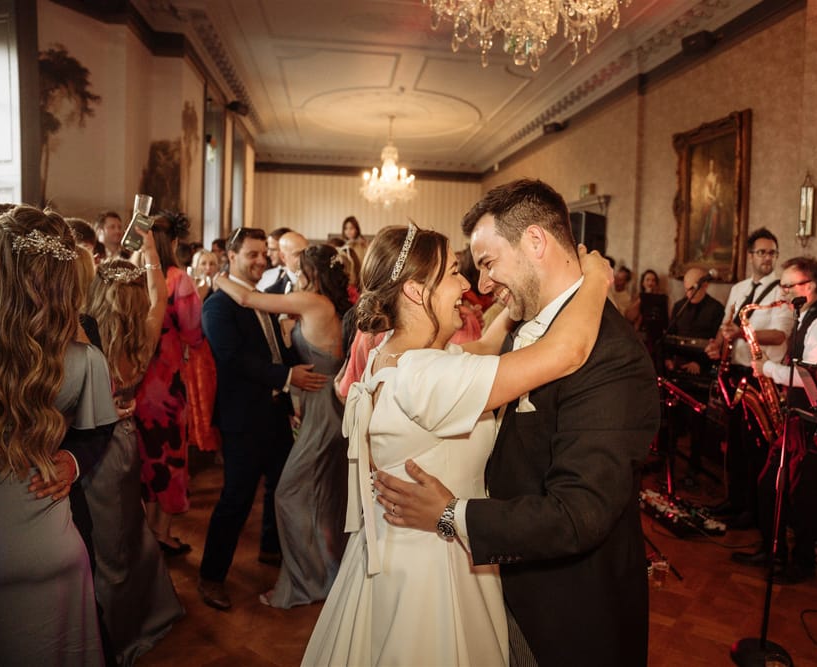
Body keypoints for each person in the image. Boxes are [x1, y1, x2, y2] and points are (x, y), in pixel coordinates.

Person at [372, 179, 659, 666]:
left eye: (487, 262)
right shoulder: (526, 326)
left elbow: (578, 514)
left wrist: (452, 514)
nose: (481, 285)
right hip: (497, 583)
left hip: (566, 615)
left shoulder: (612, 357)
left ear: (535, 241)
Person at [303, 217, 613, 666]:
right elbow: (568, 352)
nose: (466, 283)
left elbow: (485, 347)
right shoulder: (425, 375)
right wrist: (597, 280)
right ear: (416, 290)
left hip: (398, 551)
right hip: (435, 567)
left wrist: (514, 300)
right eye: (452, 272)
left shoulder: (393, 354)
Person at [0, 206, 118, 665]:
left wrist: (72, 461)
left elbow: (96, 433)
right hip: (51, 551)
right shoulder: (85, 359)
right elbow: (102, 425)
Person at [214, 243, 353, 608]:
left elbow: (247, 299)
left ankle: (309, 581)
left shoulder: (313, 302)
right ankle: (328, 572)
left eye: (299, 268)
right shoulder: (326, 305)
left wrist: (218, 278)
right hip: (324, 407)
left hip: (323, 408)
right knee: (323, 495)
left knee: (289, 493)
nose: (294, 273)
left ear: (312, 273)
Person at [197, 227, 327, 611]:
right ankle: (211, 576)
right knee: (236, 499)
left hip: (274, 411)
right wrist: (288, 377)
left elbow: (275, 350)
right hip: (242, 416)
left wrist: (298, 368)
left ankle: (271, 547)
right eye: (251, 254)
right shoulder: (218, 306)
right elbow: (232, 359)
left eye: (262, 254)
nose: (260, 261)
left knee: (281, 485)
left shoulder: (263, 298)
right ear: (232, 256)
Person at [84, 245, 185, 663]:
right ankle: (142, 614)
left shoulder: (85, 346)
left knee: (105, 544)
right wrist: (151, 253)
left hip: (95, 451)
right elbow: (160, 295)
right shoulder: (144, 335)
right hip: (128, 444)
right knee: (127, 532)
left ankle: (112, 633)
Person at [730, 257, 817, 584]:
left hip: (813, 427)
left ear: (808, 286)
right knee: (770, 487)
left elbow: (810, 377)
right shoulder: (805, 318)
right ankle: (774, 551)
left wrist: (767, 369)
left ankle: (802, 563)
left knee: (803, 497)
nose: (782, 292)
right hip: (797, 421)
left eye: (787, 286)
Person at [704, 227, 793, 530]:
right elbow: (725, 324)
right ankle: (736, 500)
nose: (768, 258)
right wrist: (717, 345)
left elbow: (780, 334)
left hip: (762, 377)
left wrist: (743, 332)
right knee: (735, 443)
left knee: (756, 447)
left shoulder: (782, 291)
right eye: (762, 252)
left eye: (772, 253)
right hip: (735, 373)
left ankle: (755, 511)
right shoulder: (739, 288)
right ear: (750, 255)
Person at [134, 211, 204, 556]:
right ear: (174, 243)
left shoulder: (133, 278)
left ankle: (144, 532)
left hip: (136, 378)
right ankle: (161, 532)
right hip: (167, 381)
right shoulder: (178, 281)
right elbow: (193, 333)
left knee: (144, 456)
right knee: (170, 455)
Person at [663, 266, 724, 481]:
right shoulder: (679, 306)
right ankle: (668, 462)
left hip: (700, 373)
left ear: (705, 285)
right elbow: (671, 336)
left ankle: (694, 465)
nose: (688, 292)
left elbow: (716, 344)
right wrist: (669, 359)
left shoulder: (716, 309)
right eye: (686, 288)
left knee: (697, 423)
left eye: (693, 288)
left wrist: (700, 363)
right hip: (678, 370)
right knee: (672, 420)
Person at [256, 226, 294, 291]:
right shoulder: (266, 275)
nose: (268, 254)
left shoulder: (301, 278)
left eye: (273, 250)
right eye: (268, 249)